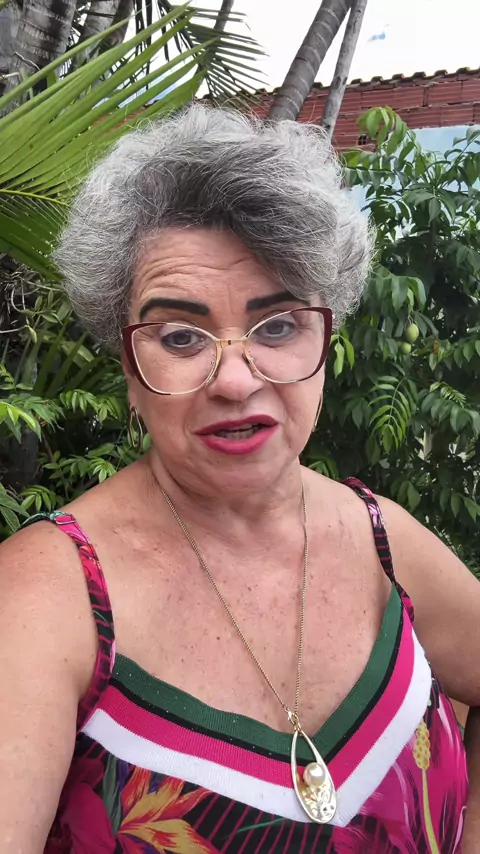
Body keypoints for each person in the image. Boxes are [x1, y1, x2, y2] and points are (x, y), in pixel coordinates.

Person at [0, 106, 479, 854]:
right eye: (181, 336)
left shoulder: (384, 540)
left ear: (327, 334)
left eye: (278, 325)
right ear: (128, 364)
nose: (234, 380)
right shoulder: (45, 598)